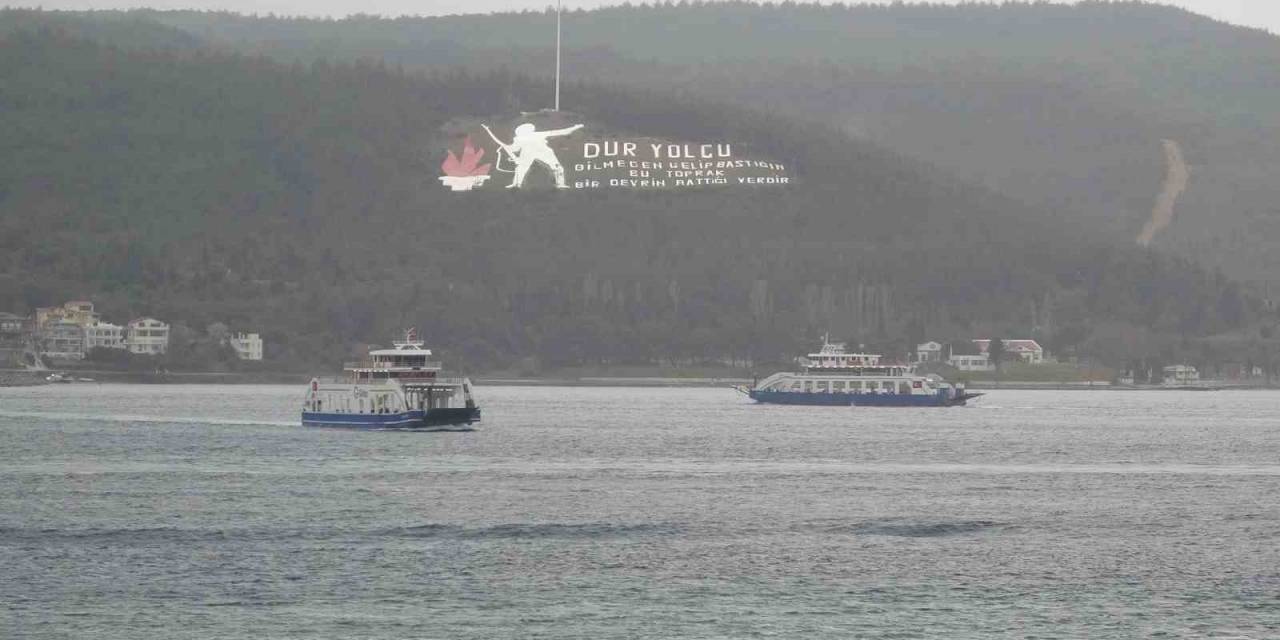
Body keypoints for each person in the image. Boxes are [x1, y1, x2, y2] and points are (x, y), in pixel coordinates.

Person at [494, 123, 584, 189]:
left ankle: (560, 183)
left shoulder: (537, 134)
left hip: (544, 152)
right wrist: (507, 147)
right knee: (521, 168)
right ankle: (517, 184)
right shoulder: (519, 139)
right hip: (528, 153)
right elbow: (514, 149)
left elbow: (561, 132)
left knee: (557, 167)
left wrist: (575, 127)